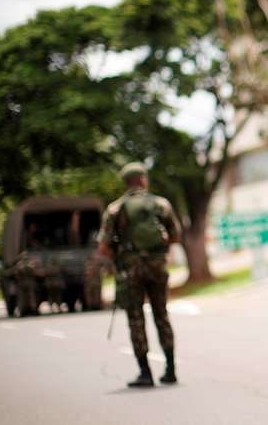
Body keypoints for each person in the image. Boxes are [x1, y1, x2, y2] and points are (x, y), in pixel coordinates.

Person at [98, 162, 181, 388]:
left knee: (136, 319)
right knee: (161, 315)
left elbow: (103, 247)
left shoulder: (115, 209)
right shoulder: (161, 204)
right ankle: (171, 369)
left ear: (126, 182)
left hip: (131, 270)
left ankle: (145, 373)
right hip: (157, 267)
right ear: (143, 180)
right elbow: (175, 236)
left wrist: (120, 251)